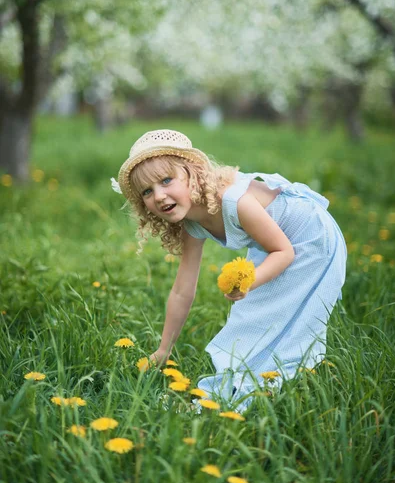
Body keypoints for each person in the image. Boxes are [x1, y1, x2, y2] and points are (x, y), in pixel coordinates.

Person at [114, 129, 346, 408]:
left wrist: (249, 281)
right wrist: (165, 349)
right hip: (278, 245)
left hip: (312, 239)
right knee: (254, 317)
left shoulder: (235, 201)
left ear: (192, 173)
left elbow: (284, 252)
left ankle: (264, 389)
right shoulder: (192, 221)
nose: (160, 196)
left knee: (277, 317)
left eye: (166, 180)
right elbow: (182, 290)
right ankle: (247, 388)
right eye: (147, 192)